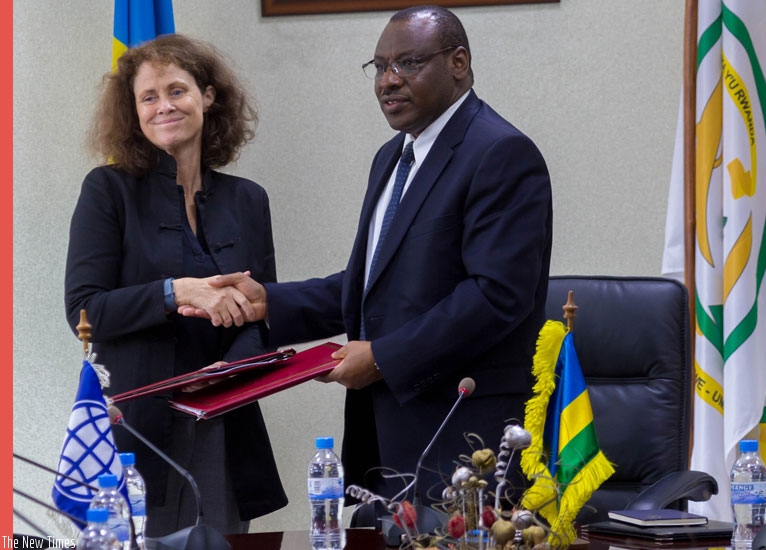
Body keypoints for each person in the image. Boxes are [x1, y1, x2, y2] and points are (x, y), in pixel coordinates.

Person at [185, 4, 552, 511]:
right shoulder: (392, 157)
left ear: (459, 62)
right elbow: (374, 285)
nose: (388, 81)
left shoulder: (501, 153)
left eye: (408, 63)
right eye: (379, 67)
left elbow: (496, 297)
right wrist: (269, 301)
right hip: (387, 434)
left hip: (462, 434)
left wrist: (382, 357)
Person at [63, 33, 287, 536]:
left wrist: (229, 370)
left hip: (225, 423)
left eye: (177, 91)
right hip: (139, 428)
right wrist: (179, 291)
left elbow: (267, 310)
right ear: (134, 112)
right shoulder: (108, 191)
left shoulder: (249, 199)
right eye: (149, 97)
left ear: (207, 96)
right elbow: (84, 310)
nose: (164, 106)